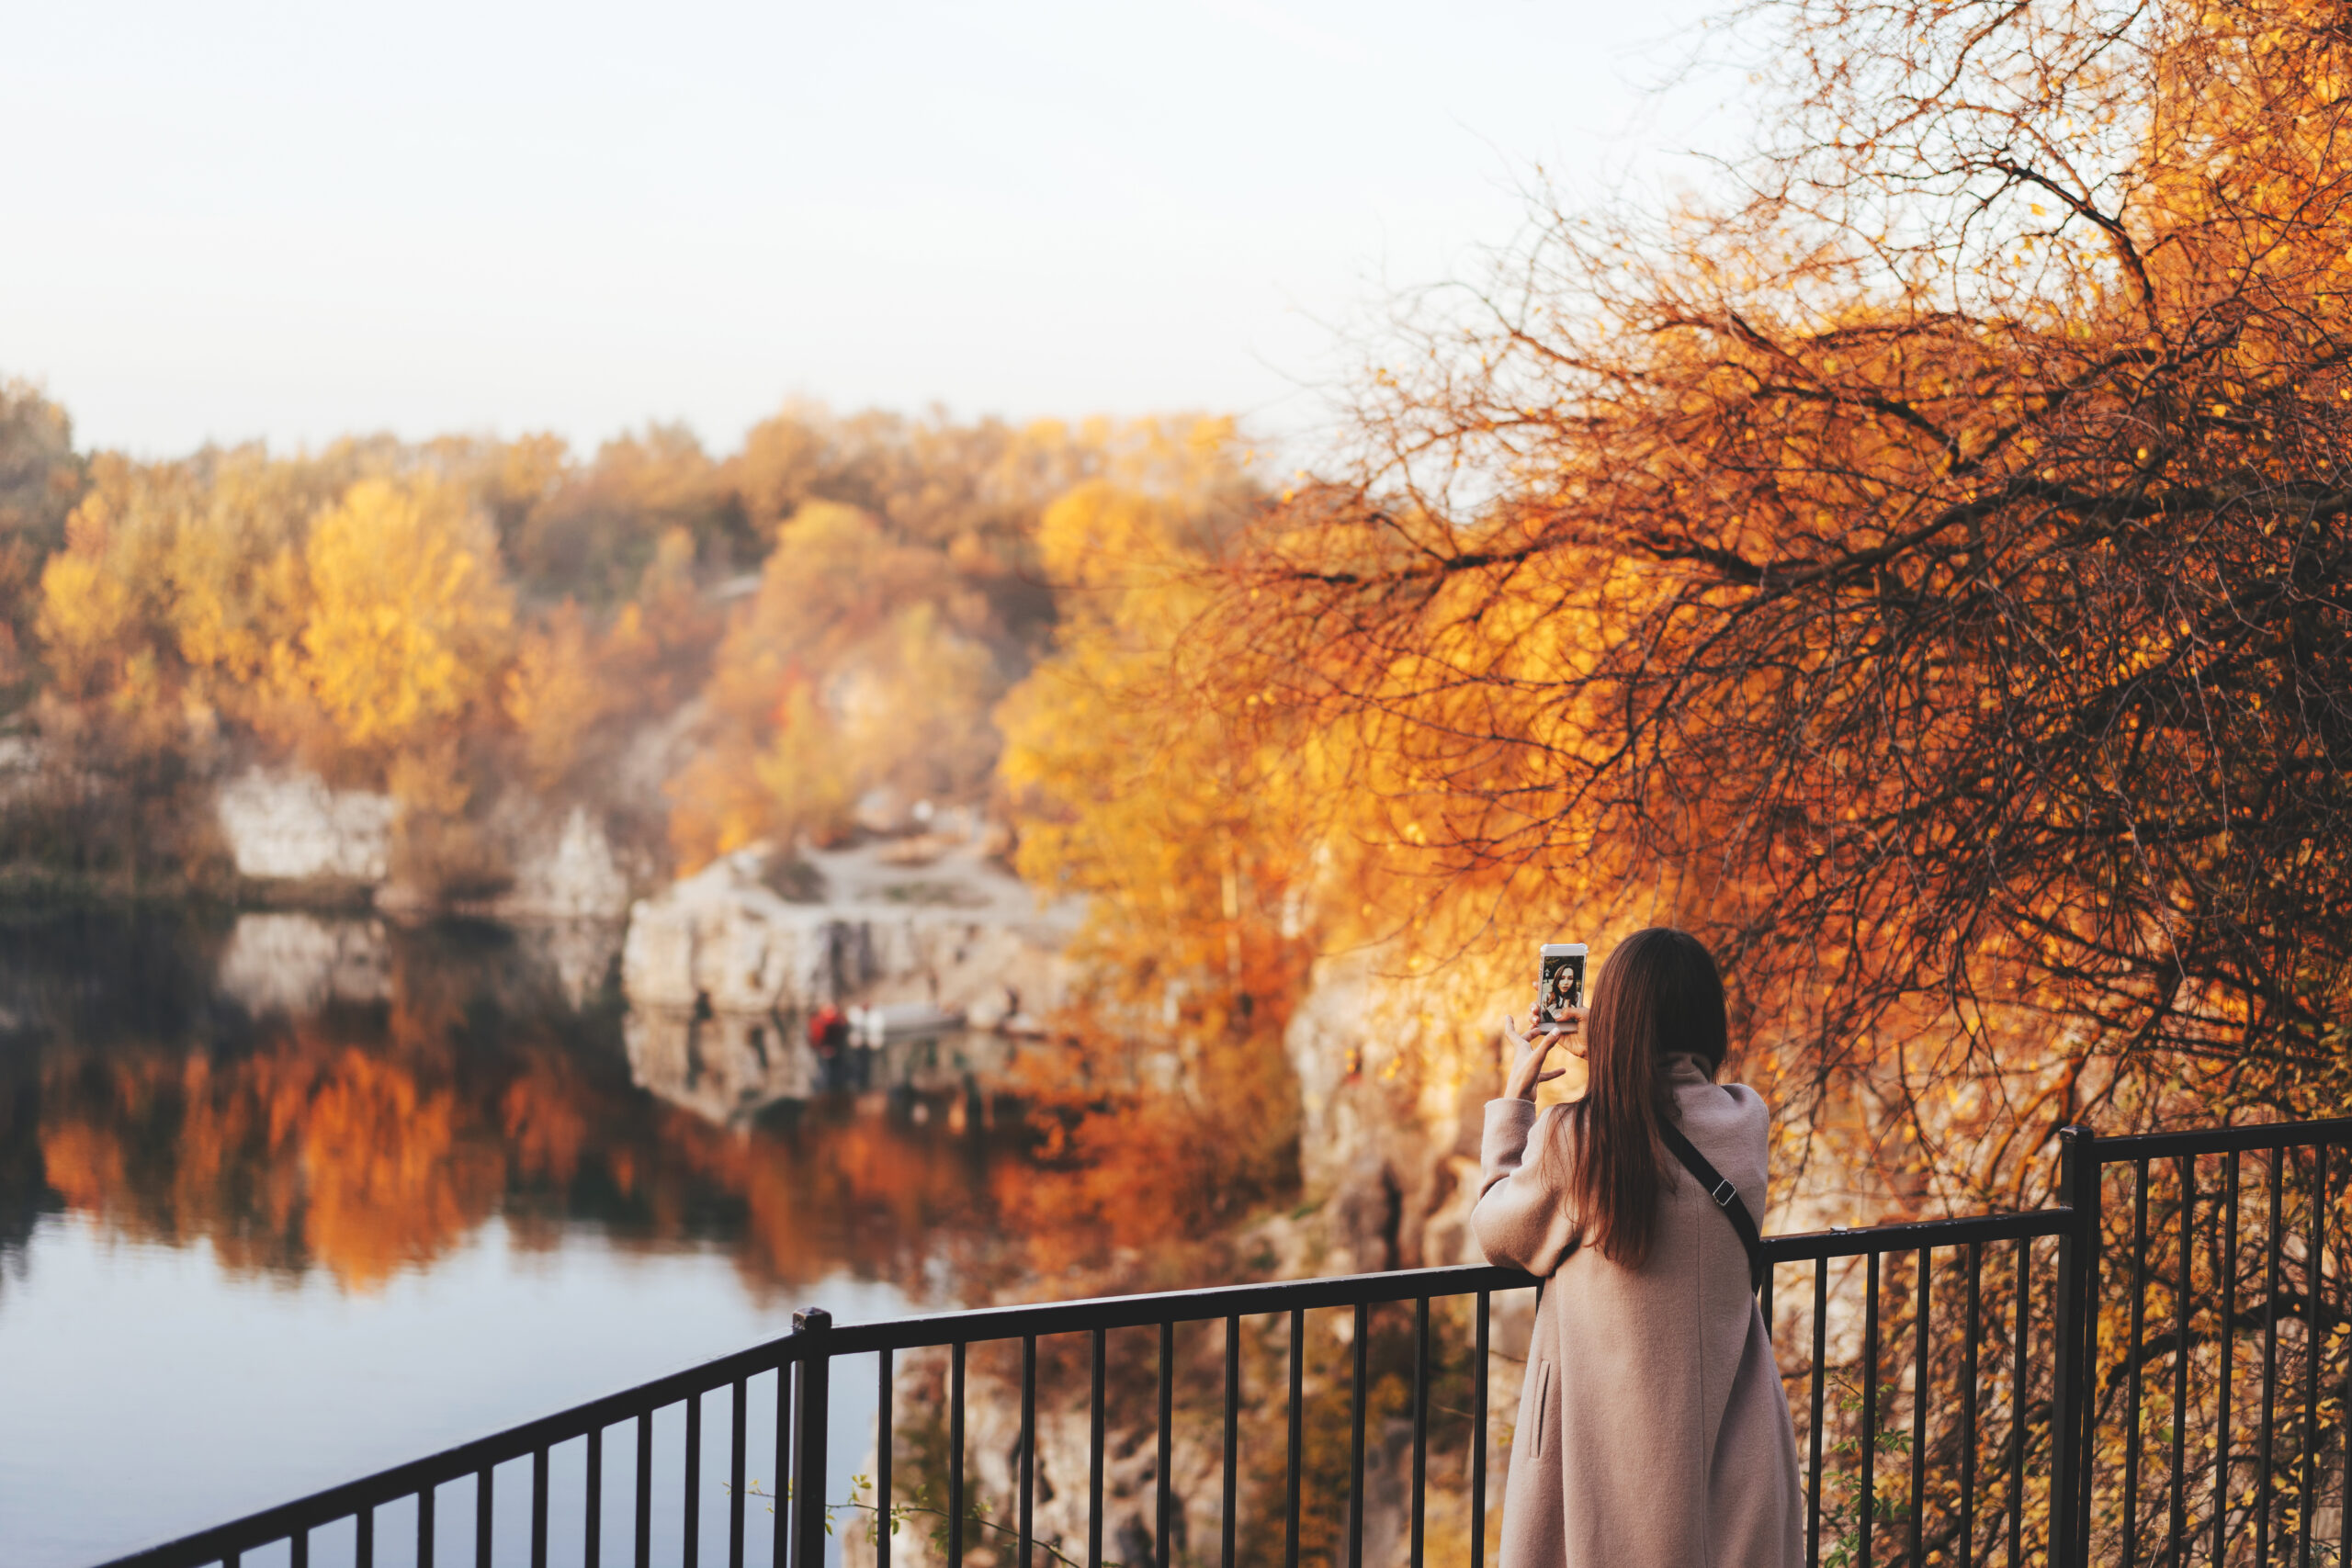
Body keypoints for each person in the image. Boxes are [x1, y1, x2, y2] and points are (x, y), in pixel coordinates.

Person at [1474, 927, 1803, 1568]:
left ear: (1617, 1021)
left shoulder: (1579, 1139)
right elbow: (1667, 1096)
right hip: (1735, 1462)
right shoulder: (1745, 1121)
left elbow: (1496, 1229)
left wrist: (1516, 1097)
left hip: (1601, 1473)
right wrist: (1624, 1036)